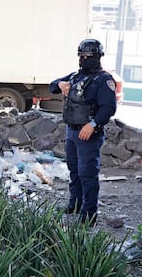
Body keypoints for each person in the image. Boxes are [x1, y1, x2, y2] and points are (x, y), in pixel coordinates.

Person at [50, 39, 117, 225]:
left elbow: (108, 107)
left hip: (89, 133)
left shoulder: (103, 80)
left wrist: (93, 124)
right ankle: (76, 204)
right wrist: (61, 84)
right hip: (72, 131)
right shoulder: (75, 76)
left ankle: (89, 214)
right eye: (82, 56)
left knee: (87, 173)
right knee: (74, 171)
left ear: (97, 57)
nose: (84, 59)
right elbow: (52, 86)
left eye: (89, 56)